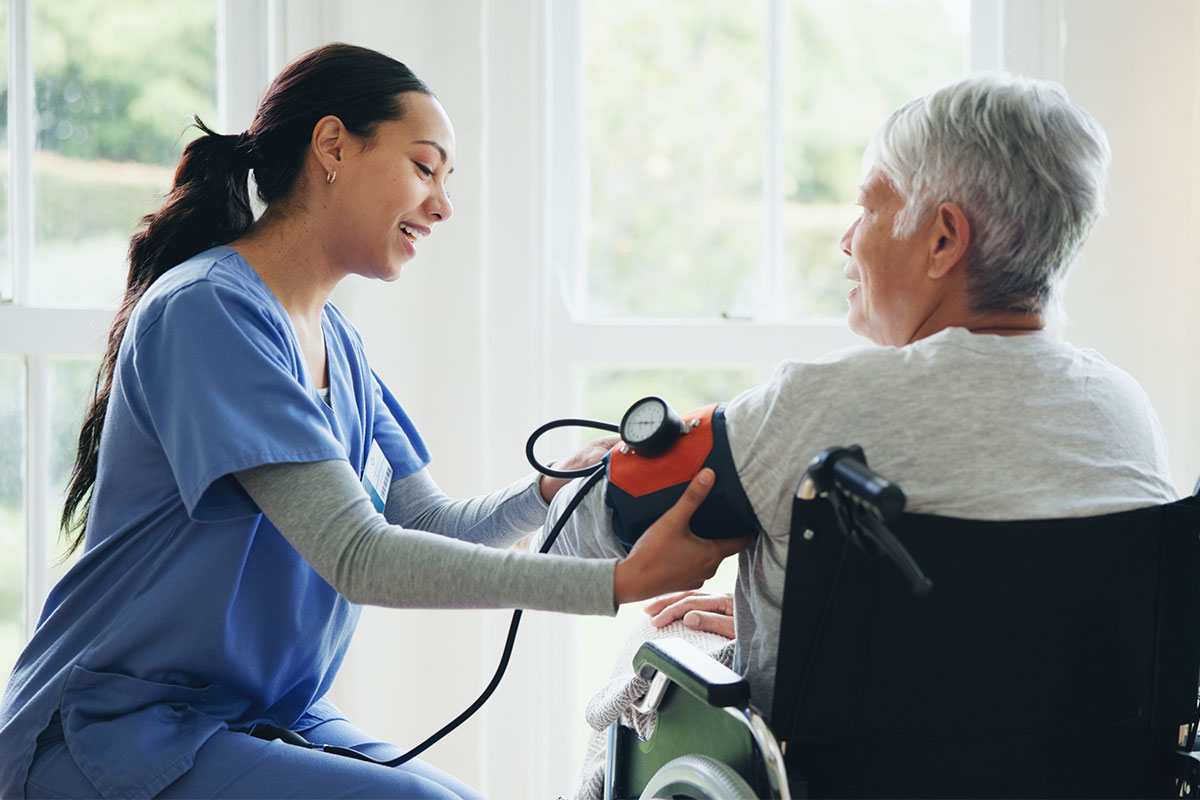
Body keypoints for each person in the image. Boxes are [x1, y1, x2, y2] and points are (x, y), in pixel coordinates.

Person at [0, 43, 748, 800]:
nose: (443, 204)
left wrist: (543, 495)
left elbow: (423, 521)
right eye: (425, 168)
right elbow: (358, 555)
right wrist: (619, 583)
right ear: (332, 146)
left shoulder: (339, 347)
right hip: (117, 730)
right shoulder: (209, 311)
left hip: (255, 715)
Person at [541, 72, 1178, 720]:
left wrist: (566, 483)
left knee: (657, 641)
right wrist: (797, 624)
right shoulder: (1126, 416)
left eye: (870, 208)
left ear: (943, 241)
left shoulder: (815, 413)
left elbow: (576, 535)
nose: (847, 240)